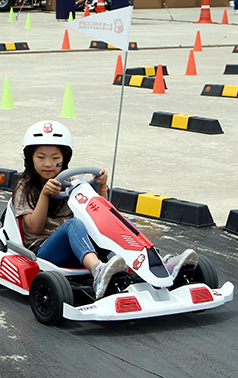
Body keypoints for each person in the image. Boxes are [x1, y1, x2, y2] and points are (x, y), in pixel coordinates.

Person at [12, 121, 197, 299]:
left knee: (120, 222)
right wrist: (44, 195)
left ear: (65, 159)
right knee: (73, 224)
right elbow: (35, 228)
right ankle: (98, 272)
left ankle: (157, 262)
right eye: (41, 157)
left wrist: (102, 187)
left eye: (55, 158)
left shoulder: (71, 182)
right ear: (30, 158)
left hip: (78, 246)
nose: (48, 164)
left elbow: (99, 215)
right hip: (44, 250)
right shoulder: (25, 187)